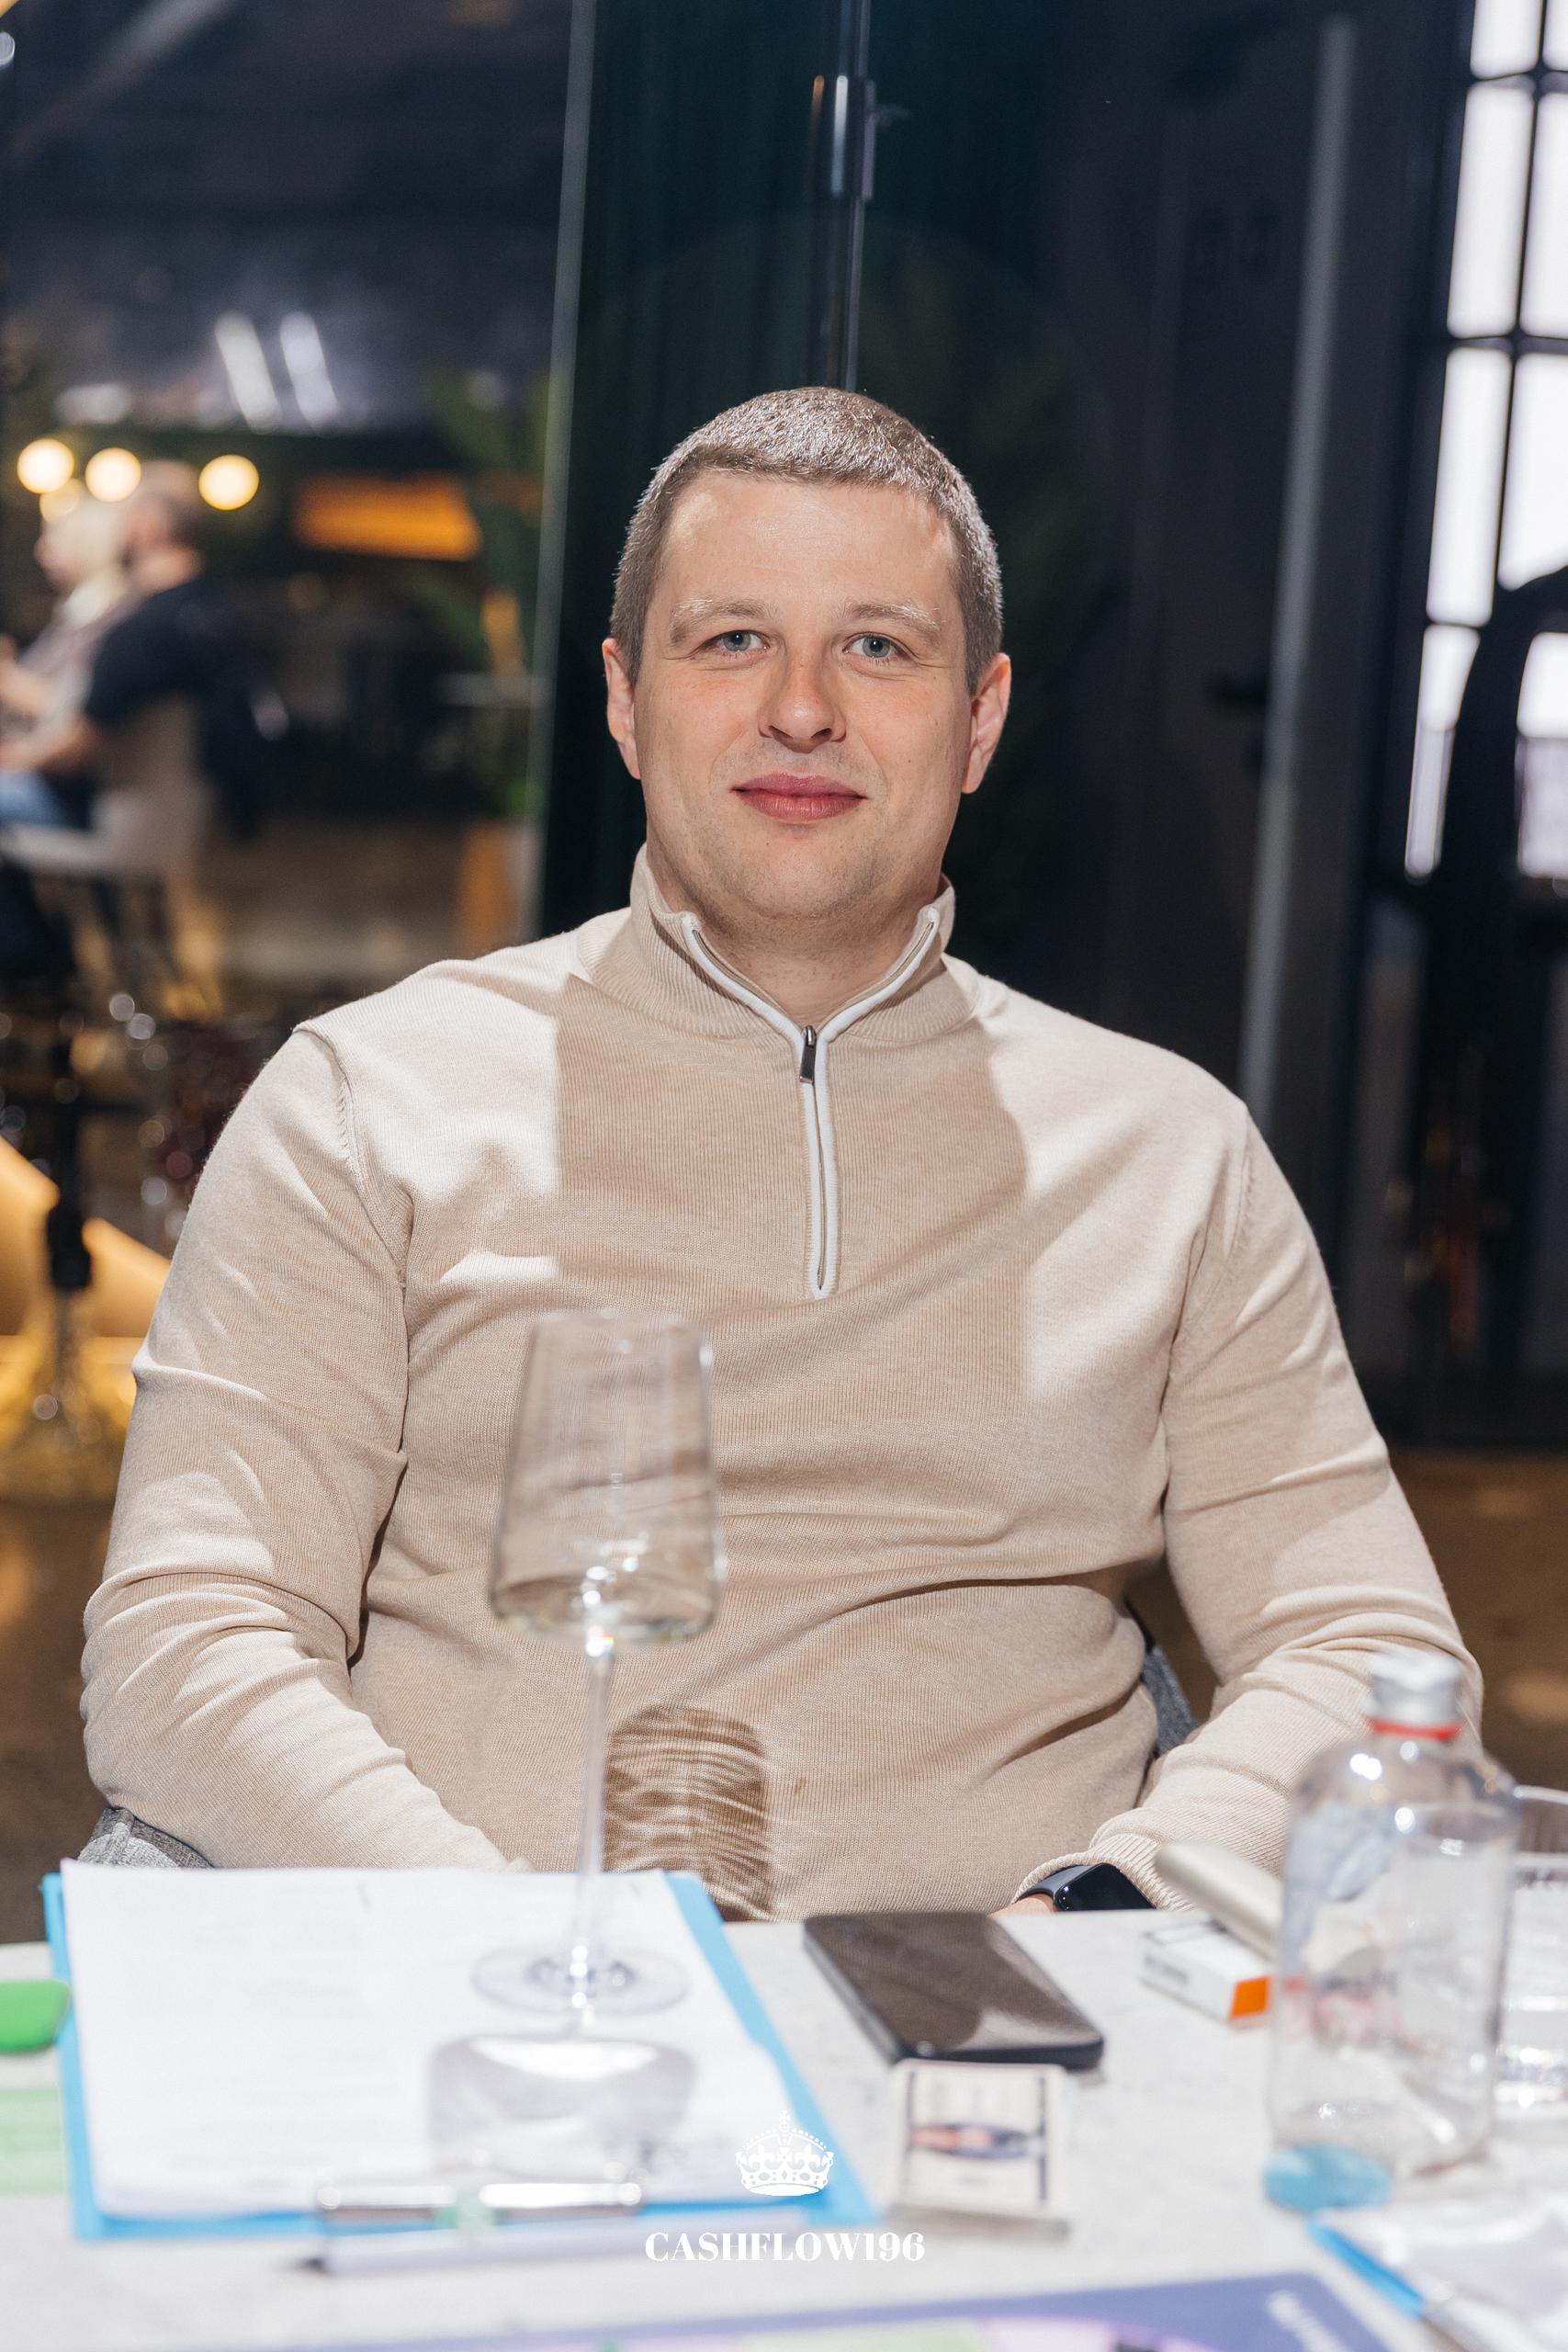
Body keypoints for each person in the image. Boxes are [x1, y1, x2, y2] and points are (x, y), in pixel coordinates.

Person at [80, 391, 1476, 1918]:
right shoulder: (370, 1103)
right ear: (625, 701)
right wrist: (516, 1943)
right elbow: (188, 1646)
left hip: (1017, 2025)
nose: (800, 709)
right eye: (731, 639)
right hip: (490, 2000)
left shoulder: (1168, 1151)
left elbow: (1366, 1651)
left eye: (875, 646)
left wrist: (1094, 1922)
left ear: (978, 720)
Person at [0, 461, 266, 843]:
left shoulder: (143, 632)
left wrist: (10, 757)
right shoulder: (218, 613)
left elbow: (74, 750)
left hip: (103, 811)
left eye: (126, 515)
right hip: (195, 812)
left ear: (147, 527)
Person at [0, 493, 131, 831]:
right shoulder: (82, 613)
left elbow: (70, 712)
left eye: (53, 541)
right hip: (42, 775)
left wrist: (8, 678)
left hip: (63, 790)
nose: (41, 551)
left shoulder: (107, 623)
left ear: (87, 546)